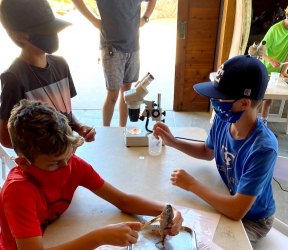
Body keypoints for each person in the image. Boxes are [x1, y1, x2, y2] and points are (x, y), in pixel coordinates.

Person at [0, 99, 182, 250]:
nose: (66, 167)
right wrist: (99, 237)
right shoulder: (18, 191)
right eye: (54, 164)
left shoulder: (74, 165)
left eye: (69, 155)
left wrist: (167, 209)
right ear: (24, 163)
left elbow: (122, 200)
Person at [153, 55, 278, 245]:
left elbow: (237, 211)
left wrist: (192, 185)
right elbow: (206, 151)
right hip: (228, 198)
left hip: (252, 219)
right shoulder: (225, 119)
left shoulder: (263, 149)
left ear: (244, 103)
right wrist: (173, 142)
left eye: (220, 97)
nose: (214, 101)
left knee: (206, 244)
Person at [0, 0, 96, 149]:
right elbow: (6, 138)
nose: (53, 34)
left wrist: (78, 127)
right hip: (43, 168)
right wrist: (47, 146)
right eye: (46, 30)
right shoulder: (14, 79)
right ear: (19, 35)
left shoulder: (61, 64)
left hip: (67, 157)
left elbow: (65, 114)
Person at [72, 0, 157, 127]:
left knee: (127, 93)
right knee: (113, 94)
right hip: (112, 47)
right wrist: (93, 20)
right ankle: (105, 132)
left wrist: (145, 18)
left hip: (133, 46)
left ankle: (122, 130)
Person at [260, 0, 288, 124]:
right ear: (287, 14)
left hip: (277, 73)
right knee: (259, 99)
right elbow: (260, 51)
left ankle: (263, 123)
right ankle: (253, 123)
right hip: (264, 69)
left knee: (268, 101)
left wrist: (283, 70)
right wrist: (271, 60)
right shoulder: (274, 30)